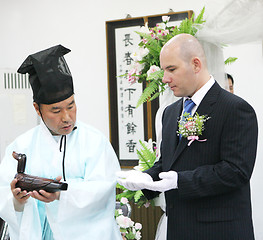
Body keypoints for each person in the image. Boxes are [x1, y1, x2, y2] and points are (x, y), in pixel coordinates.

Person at [117, 34, 258, 240]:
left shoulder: (235, 109)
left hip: (219, 232)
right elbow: (168, 162)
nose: (165, 78)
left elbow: (236, 171)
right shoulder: (170, 112)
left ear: (196, 64)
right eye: (164, 70)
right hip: (179, 229)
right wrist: (147, 177)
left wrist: (180, 181)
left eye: (171, 69)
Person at [0, 45, 122, 240]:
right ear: (37, 109)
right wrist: (17, 200)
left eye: (71, 106)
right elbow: (3, 195)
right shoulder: (21, 146)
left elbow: (104, 189)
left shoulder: (94, 141)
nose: (67, 117)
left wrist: (62, 195)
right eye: (56, 111)